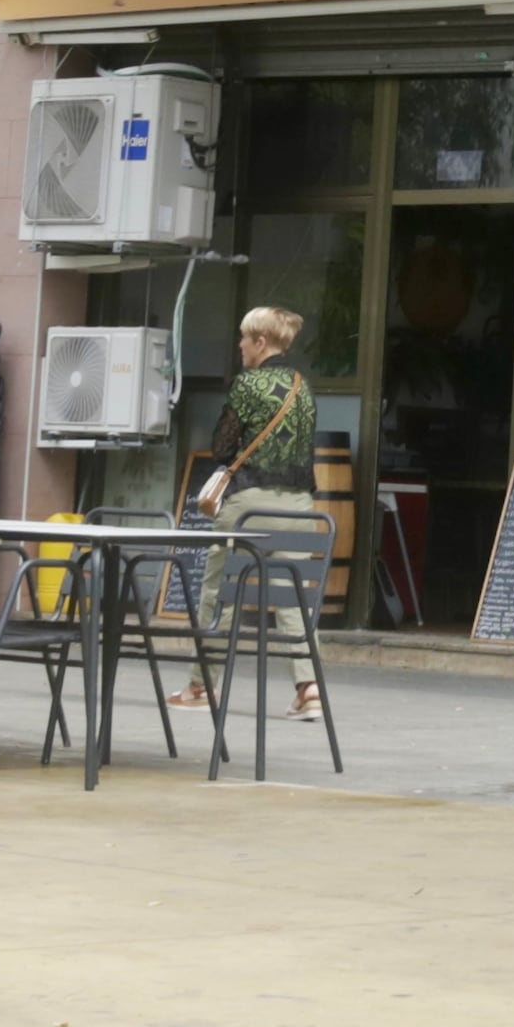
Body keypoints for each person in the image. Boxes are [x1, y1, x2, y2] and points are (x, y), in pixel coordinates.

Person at [181, 307, 324, 719]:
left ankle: (201, 685)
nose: (240, 345)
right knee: (294, 599)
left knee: (220, 593)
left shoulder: (249, 384)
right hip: (298, 508)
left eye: (245, 338)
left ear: (261, 343)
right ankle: (308, 689)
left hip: (250, 506)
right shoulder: (303, 386)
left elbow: (223, 449)